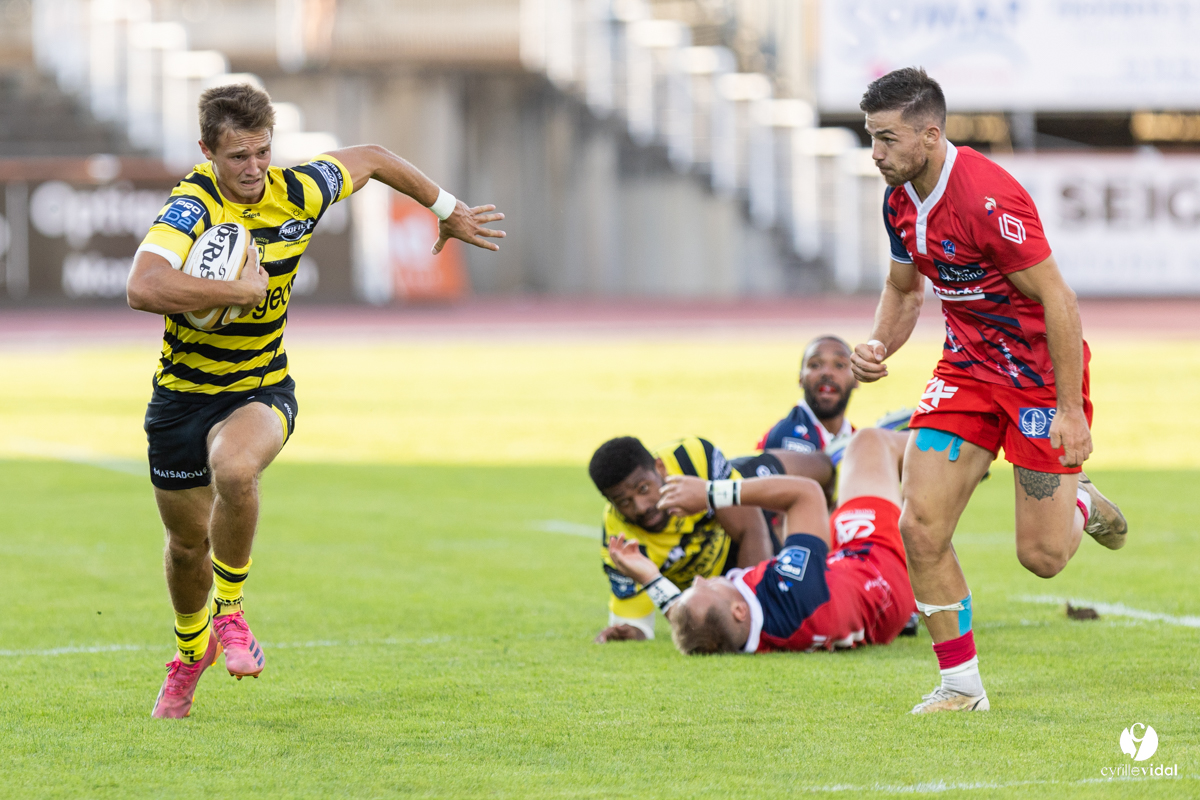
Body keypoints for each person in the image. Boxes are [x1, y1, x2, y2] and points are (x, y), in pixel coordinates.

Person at [127, 83, 505, 718]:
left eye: (261, 153)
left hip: (260, 386)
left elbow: (376, 156)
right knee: (187, 546)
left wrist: (446, 207)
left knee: (236, 469)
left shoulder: (298, 188)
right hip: (181, 399)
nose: (252, 169)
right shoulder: (192, 206)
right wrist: (236, 293)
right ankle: (191, 652)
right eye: (237, 157)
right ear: (206, 152)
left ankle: (230, 612)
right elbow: (142, 286)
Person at [849, 67, 1127, 713]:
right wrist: (878, 346)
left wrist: (1067, 411)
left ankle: (1077, 504)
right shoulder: (897, 199)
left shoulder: (985, 198)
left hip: (1035, 375)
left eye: (887, 139)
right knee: (919, 525)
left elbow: (1058, 298)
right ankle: (960, 688)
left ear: (930, 133)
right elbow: (903, 289)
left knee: (1044, 557)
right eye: (871, 138)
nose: (876, 153)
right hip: (968, 368)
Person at [605, 428, 916, 656]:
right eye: (708, 586)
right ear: (740, 610)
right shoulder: (792, 589)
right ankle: (945, 443)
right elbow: (807, 493)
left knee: (806, 516)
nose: (699, 579)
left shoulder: (731, 631)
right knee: (868, 443)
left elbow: (691, 619)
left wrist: (649, 577)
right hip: (876, 565)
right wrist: (711, 493)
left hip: (843, 587)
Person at [588, 436, 832, 643]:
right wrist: (631, 630)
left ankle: (838, 453)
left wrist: (757, 605)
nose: (640, 507)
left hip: (740, 526)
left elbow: (750, 528)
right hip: (709, 588)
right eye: (623, 502)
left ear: (660, 469)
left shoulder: (692, 459)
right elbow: (637, 623)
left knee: (819, 468)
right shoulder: (620, 543)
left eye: (643, 489)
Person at [757, 336, 857, 456]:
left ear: (857, 379)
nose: (827, 373)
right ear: (800, 378)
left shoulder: (858, 440)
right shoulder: (784, 438)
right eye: (815, 365)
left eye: (839, 365)